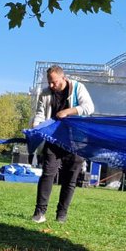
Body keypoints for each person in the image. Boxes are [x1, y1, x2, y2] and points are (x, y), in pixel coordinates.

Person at [30, 65, 95, 224]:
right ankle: (40, 213)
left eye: (54, 82)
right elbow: (40, 114)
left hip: (76, 141)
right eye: (49, 82)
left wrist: (67, 112)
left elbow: (89, 108)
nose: (51, 86)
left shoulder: (78, 88)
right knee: (47, 173)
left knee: (70, 179)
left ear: (63, 78)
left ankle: (61, 215)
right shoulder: (45, 93)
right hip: (54, 140)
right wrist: (36, 127)